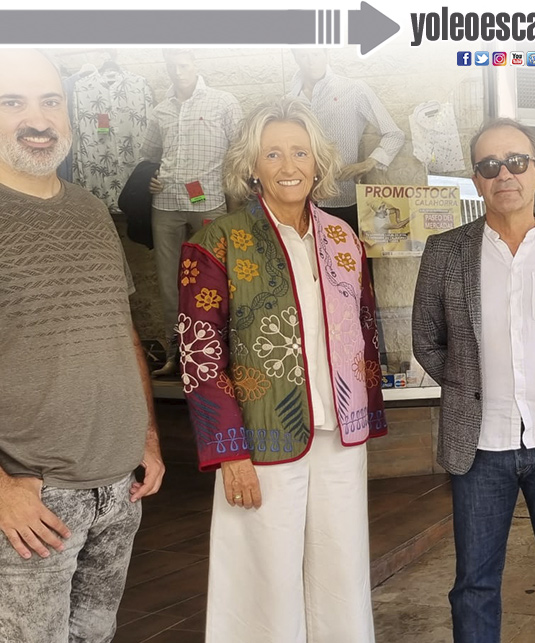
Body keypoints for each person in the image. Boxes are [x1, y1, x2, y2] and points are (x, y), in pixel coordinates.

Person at [177, 97, 388, 642]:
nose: (289, 165)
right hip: (260, 437)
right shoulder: (217, 242)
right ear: (252, 166)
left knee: (342, 574)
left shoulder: (343, 239)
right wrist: (229, 451)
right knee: (263, 581)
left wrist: (366, 413)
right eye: (272, 154)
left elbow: (364, 328)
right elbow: (200, 354)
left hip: (340, 435)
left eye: (300, 152)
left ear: (318, 162)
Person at [412, 118, 535, 643]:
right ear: (476, 180)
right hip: (480, 447)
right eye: (490, 165)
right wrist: (469, 390)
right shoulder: (445, 253)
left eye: (517, 162)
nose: (505, 174)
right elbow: (427, 341)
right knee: (474, 585)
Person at [0, 48, 164, 642]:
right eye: (12, 102)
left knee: (94, 636)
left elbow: (121, 329)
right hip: (31, 501)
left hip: (119, 489)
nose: (37, 119)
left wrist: (147, 436)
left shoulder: (92, 211)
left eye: (50, 101)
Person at [143, 49, 243, 376]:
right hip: (166, 204)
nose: (178, 72)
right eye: (171, 66)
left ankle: (219, 351)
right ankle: (177, 353)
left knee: (214, 277)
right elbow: (150, 155)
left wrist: (234, 203)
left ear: (196, 63)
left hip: (208, 202)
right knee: (169, 282)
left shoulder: (222, 103)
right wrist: (150, 178)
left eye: (183, 65)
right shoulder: (160, 111)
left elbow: (240, 152)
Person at [288, 48, 406, 233]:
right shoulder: (289, 101)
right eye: (304, 55)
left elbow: (394, 134)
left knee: (349, 252)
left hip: (343, 200)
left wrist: (366, 164)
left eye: (316, 54)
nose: (311, 61)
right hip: (300, 203)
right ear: (296, 58)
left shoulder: (353, 90)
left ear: (327, 54)